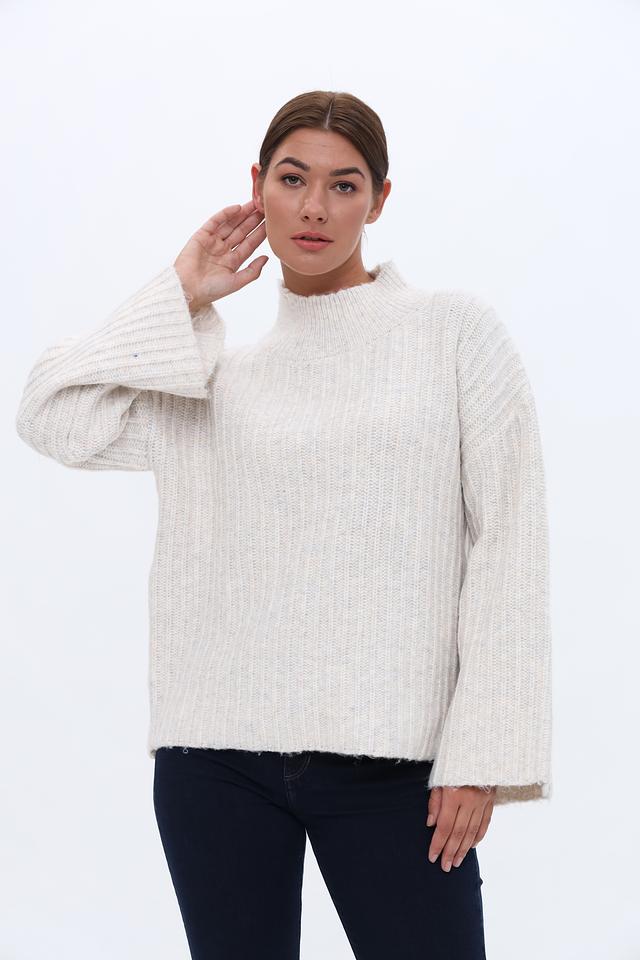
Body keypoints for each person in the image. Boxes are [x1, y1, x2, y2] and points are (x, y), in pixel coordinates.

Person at [15, 89, 552, 959]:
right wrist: (180, 294)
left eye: (344, 185)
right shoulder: (215, 378)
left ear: (379, 199)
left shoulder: (453, 336)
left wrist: (482, 754)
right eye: (293, 179)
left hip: (396, 770)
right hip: (216, 761)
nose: (314, 208)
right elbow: (51, 415)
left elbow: (510, 545)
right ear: (257, 186)